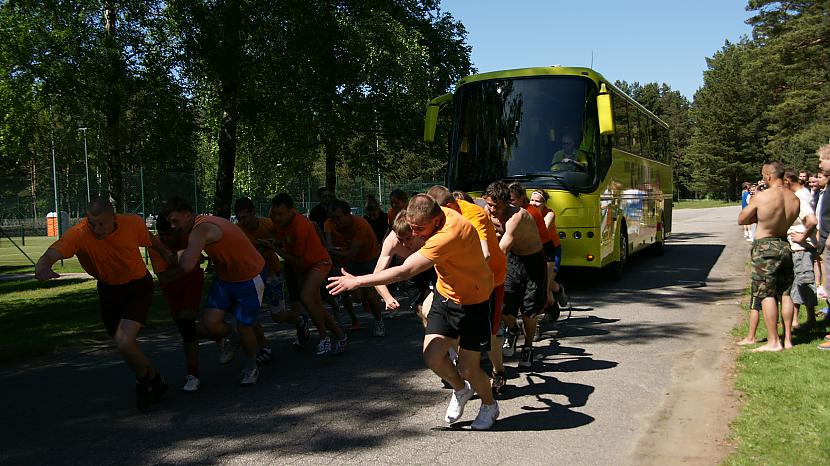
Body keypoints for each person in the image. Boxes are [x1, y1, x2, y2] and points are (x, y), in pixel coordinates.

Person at [327, 194, 500, 430]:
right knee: (432, 356)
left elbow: (404, 271)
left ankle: (490, 405)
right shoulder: (429, 215)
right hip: (445, 294)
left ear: (436, 218)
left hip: (473, 302)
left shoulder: (448, 234)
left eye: (419, 228)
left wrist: (357, 281)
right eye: (412, 227)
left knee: (469, 367)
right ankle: (461, 390)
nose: (416, 233)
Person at [34, 197, 169, 411]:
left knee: (124, 341)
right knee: (124, 344)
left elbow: (153, 242)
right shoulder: (79, 234)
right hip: (108, 290)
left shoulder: (132, 223)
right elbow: (54, 251)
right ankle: (152, 378)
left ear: (114, 218)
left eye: (101, 224)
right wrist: (42, 265)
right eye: (91, 223)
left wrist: (168, 255)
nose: (96, 229)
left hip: (137, 286)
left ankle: (145, 382)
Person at [163, 197, 267, 385]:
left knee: (245, 328)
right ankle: (233, 338)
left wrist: (164, 278)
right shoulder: (196, 228)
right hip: (225, 278)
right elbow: (189, 254)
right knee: (210, 322)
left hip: (249, 278)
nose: (172, 226)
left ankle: (252, 365)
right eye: (170, 222)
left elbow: (186, 265)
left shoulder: (201, 229)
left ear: (188, 215)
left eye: (175, 221)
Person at [428, 185, 510, 395]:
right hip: (459, 283)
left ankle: (499, 371)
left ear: (447, 207)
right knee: (440, 319)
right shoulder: (440, 216)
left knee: (490, 333)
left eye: (437, 216)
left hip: (489, 280)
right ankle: (467, 372)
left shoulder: (473, 215)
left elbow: (484, 254)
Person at [268, 193, 348, 356]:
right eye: (274, 213)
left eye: (280, 214)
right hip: (303, 267)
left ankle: (324, 338)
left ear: (292, 211)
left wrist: (273, 248)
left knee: (306, 298)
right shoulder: (277, 220)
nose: (276, 217)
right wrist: (271, 242)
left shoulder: (300, 227)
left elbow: (297, 260)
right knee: (315, 305)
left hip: (318, 263)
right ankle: (341, 336)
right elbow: (282, 239)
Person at [149, 214, 219, 392]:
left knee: (187, 324)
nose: (164, 239)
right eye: (161, 234)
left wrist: (187, 261)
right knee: (185, 329)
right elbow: (164, 278)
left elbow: (200, 254)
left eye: (168, 234)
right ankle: (220, 335)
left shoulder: (188, 237)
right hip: (171, 288)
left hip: (191, 280)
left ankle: (193, 373)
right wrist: (185, 261)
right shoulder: (156, 246)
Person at [233, 197, 310, 359]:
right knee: (250, 314)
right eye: (239, 218)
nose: (242, 221)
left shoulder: (268, 224)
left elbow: (283, 241)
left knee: (278, 316)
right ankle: (264, 347)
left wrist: (270, 243)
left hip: (271, 273)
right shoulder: (238, 230)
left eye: (245, 217)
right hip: (251, 276)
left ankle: (300, 321)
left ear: (253, 212)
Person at [737, 162, 800, 352]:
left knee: (767, 293)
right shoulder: (794, 198)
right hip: (784, 244)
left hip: (765, 246)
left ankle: (773, 341)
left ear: (769, 176)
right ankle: (788, 339)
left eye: (764, 175)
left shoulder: (762, 197)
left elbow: (742, 219)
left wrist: (757, 215)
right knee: (786, 292)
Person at [483, 181, 546, 369]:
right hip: (513, 260)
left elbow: (502, 247)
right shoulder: (486, 210)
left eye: (496, 206)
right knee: (504, 307)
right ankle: (513, 329)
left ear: (507, 203)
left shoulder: (516, 216)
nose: (492, 210)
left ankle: (528, 346)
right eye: (489, 205)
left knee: (529, 310)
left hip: (533, 261)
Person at [324, 199, 386, 337]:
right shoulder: (329, 223)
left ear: (348, 215)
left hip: (368, 258)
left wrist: (332, 250)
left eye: (338, 218)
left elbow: (349, 252)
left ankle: (379, 321)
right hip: (347, 260)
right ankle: (354, 318)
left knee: (370, 293)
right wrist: (333, 251)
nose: (335, 221)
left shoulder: (360, 225)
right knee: (345, 290)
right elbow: (329, 246)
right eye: (332, 218)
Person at [372, 211, 433, 326]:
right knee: (422, 312)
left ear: (416, 232)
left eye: (408, 238)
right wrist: (387, 298)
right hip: (410, 271)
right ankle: (431, 336)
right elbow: (377, 275)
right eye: (400, 239)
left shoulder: (426, 235)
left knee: (435, 308)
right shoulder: (391, 242)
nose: (404, 244)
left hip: (431, 264)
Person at [781, 172, 818, 331]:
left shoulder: (801, 197)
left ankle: (809, 319)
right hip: (798, 248)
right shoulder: (799, 194)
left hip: (802, 248)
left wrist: (803, 237)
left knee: (804, 282)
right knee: (798, 283)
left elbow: (812, 221)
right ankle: (796, 319)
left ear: (788, 181)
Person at [529, 189, 568, 313]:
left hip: (552, 250)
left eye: (537, 201)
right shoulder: (527, 212)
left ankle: (558, 290)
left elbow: (542, 230)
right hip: (536, 250)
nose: (534, 203)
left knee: (547, 284)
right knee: (543, 284)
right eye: (532, 200)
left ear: (544, 203)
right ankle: (552, 308)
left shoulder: (549, 214)